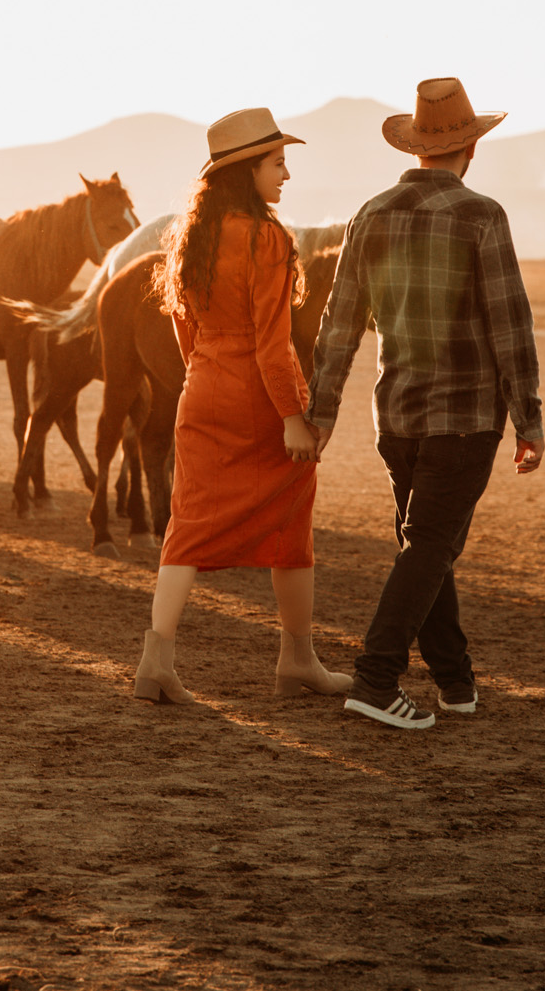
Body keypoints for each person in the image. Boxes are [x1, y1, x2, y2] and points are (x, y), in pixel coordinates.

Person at [306, 77, 545, 731]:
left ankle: (453, 679)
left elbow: (338, 320)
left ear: (415, 149)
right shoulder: (480, 215)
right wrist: (528, 417)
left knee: (426, 545)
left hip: (398, 415)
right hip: (464, 417)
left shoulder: (371, 213)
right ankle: (375, 677)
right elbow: (509, 324)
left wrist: (321, 410)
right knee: (431, 543)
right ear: (470, 151)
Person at [130, 108, 357, 706]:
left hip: (201, 392)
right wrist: (291, 417)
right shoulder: (268, 238)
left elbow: (186, 329)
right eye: (277, 163)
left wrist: (204, 372)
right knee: (291, 526)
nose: (286, 176)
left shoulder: (190, 235)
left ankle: (156, 660)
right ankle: (298, 659)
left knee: (187, 528)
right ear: (246, 171)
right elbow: (273, 344)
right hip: (259, 402)